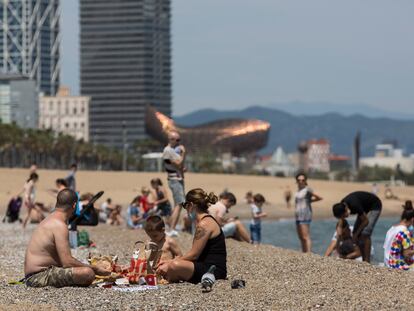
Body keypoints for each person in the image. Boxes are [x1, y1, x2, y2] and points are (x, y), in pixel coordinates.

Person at [24, 189, 110, 287]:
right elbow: (67, 262)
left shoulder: (50, 219)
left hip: (34, 274)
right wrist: (95, 269)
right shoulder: (59, 225)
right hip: (38, 277)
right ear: (74, 206)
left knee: (85, 270)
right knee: (87, 273)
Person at [156, 188, 226, 284]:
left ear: (191, 205)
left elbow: (194, 255)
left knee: (174, 265)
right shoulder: (206, 221)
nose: (186, 210)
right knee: (171, 265)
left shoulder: (204, 224)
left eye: (185, 206)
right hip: (204, 265)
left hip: (213, 270)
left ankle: (169, 275)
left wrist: (171, 262)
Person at [332, 191, 382, 262]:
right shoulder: (341, 207)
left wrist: (355, 235)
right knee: (356, 232)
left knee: (365, 233)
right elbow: (340, 227)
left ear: (346, 209)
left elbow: (366, 221)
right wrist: (338, 237)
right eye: (342, 217)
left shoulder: (354, 205)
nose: (345, 217)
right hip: (363, 209)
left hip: (374, 206)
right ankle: (363, 258)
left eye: (344, 216)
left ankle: (367, 261)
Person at [163, 131, 186, 236]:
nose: (178, 142)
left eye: (179, 140)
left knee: (178, 204)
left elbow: (179, 166)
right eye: (176, 140)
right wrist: (183, 153)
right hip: (174, 179)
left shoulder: (172, 151)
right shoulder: (168, 151)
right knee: (179, 203)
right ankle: (171, 229)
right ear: (171, 139)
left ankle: (171, 227)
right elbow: (178, 163)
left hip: (177, 178)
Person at [294, 173, 322, 253]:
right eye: (299, 180)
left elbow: (319, 198)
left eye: (303, 180)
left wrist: (309, 201)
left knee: (306, 236)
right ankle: (304, 252)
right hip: (298, 215)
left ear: (305, 181)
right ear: (296, 181)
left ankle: (309, 253)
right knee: (301, 236)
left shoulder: (307, 190)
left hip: (305, 214)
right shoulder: (298, 190)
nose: (301, 181)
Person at [383, 201, 414, 270]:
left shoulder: (391, 229)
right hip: (396, 265)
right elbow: (407, 254)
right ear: (412, 219)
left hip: (387, 263)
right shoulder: (404, 232)